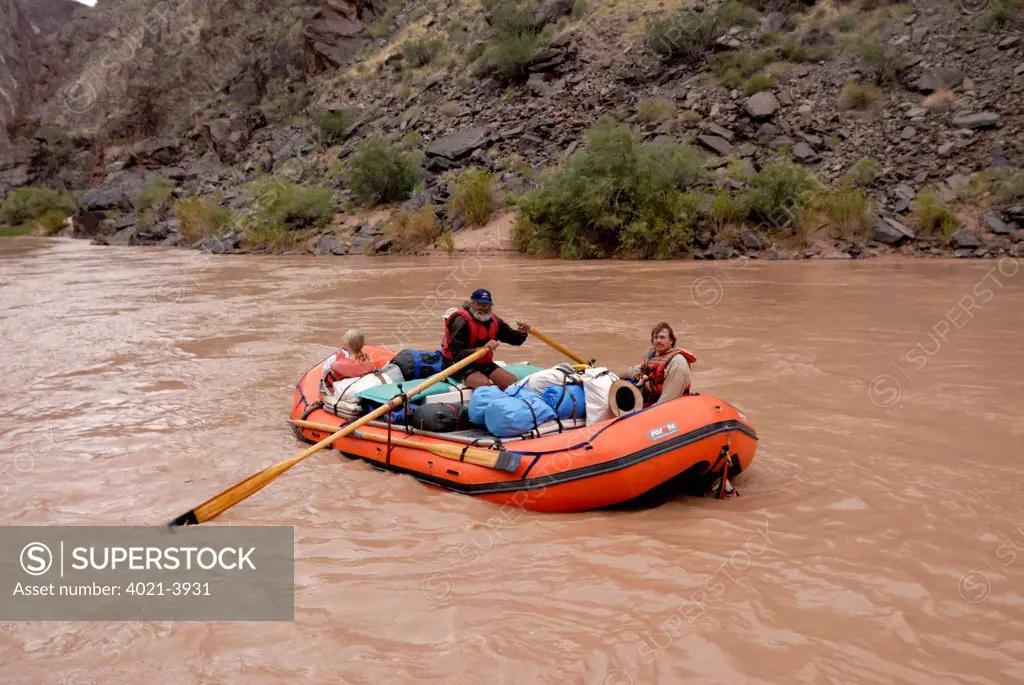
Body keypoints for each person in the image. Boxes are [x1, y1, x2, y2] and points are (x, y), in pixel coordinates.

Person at [440, 288, 530, 389]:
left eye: (487, 305)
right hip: (458, 364)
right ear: (472, 303)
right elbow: (455, 353)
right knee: (483, 384)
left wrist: (522, 333)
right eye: (480, 304)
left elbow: (514, 340)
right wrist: (481, 349)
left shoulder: (494, 320)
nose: (484, 308)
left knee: (510, 381)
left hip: (482, 363)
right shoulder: (461, 321)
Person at [627, 322, 697, 406]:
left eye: (662, 337)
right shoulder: (651, 357)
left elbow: (668, 399)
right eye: (656, 338)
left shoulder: (678, 362)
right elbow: (636, 371)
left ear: (671, 341)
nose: (658, 340)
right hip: (651, 400)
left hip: (667, 406)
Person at [323, 328, 375, 393]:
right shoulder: (366, 358)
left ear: (347, 343)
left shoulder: (335, 359)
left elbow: (325, 371)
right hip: (360, 388)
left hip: (341, 391)